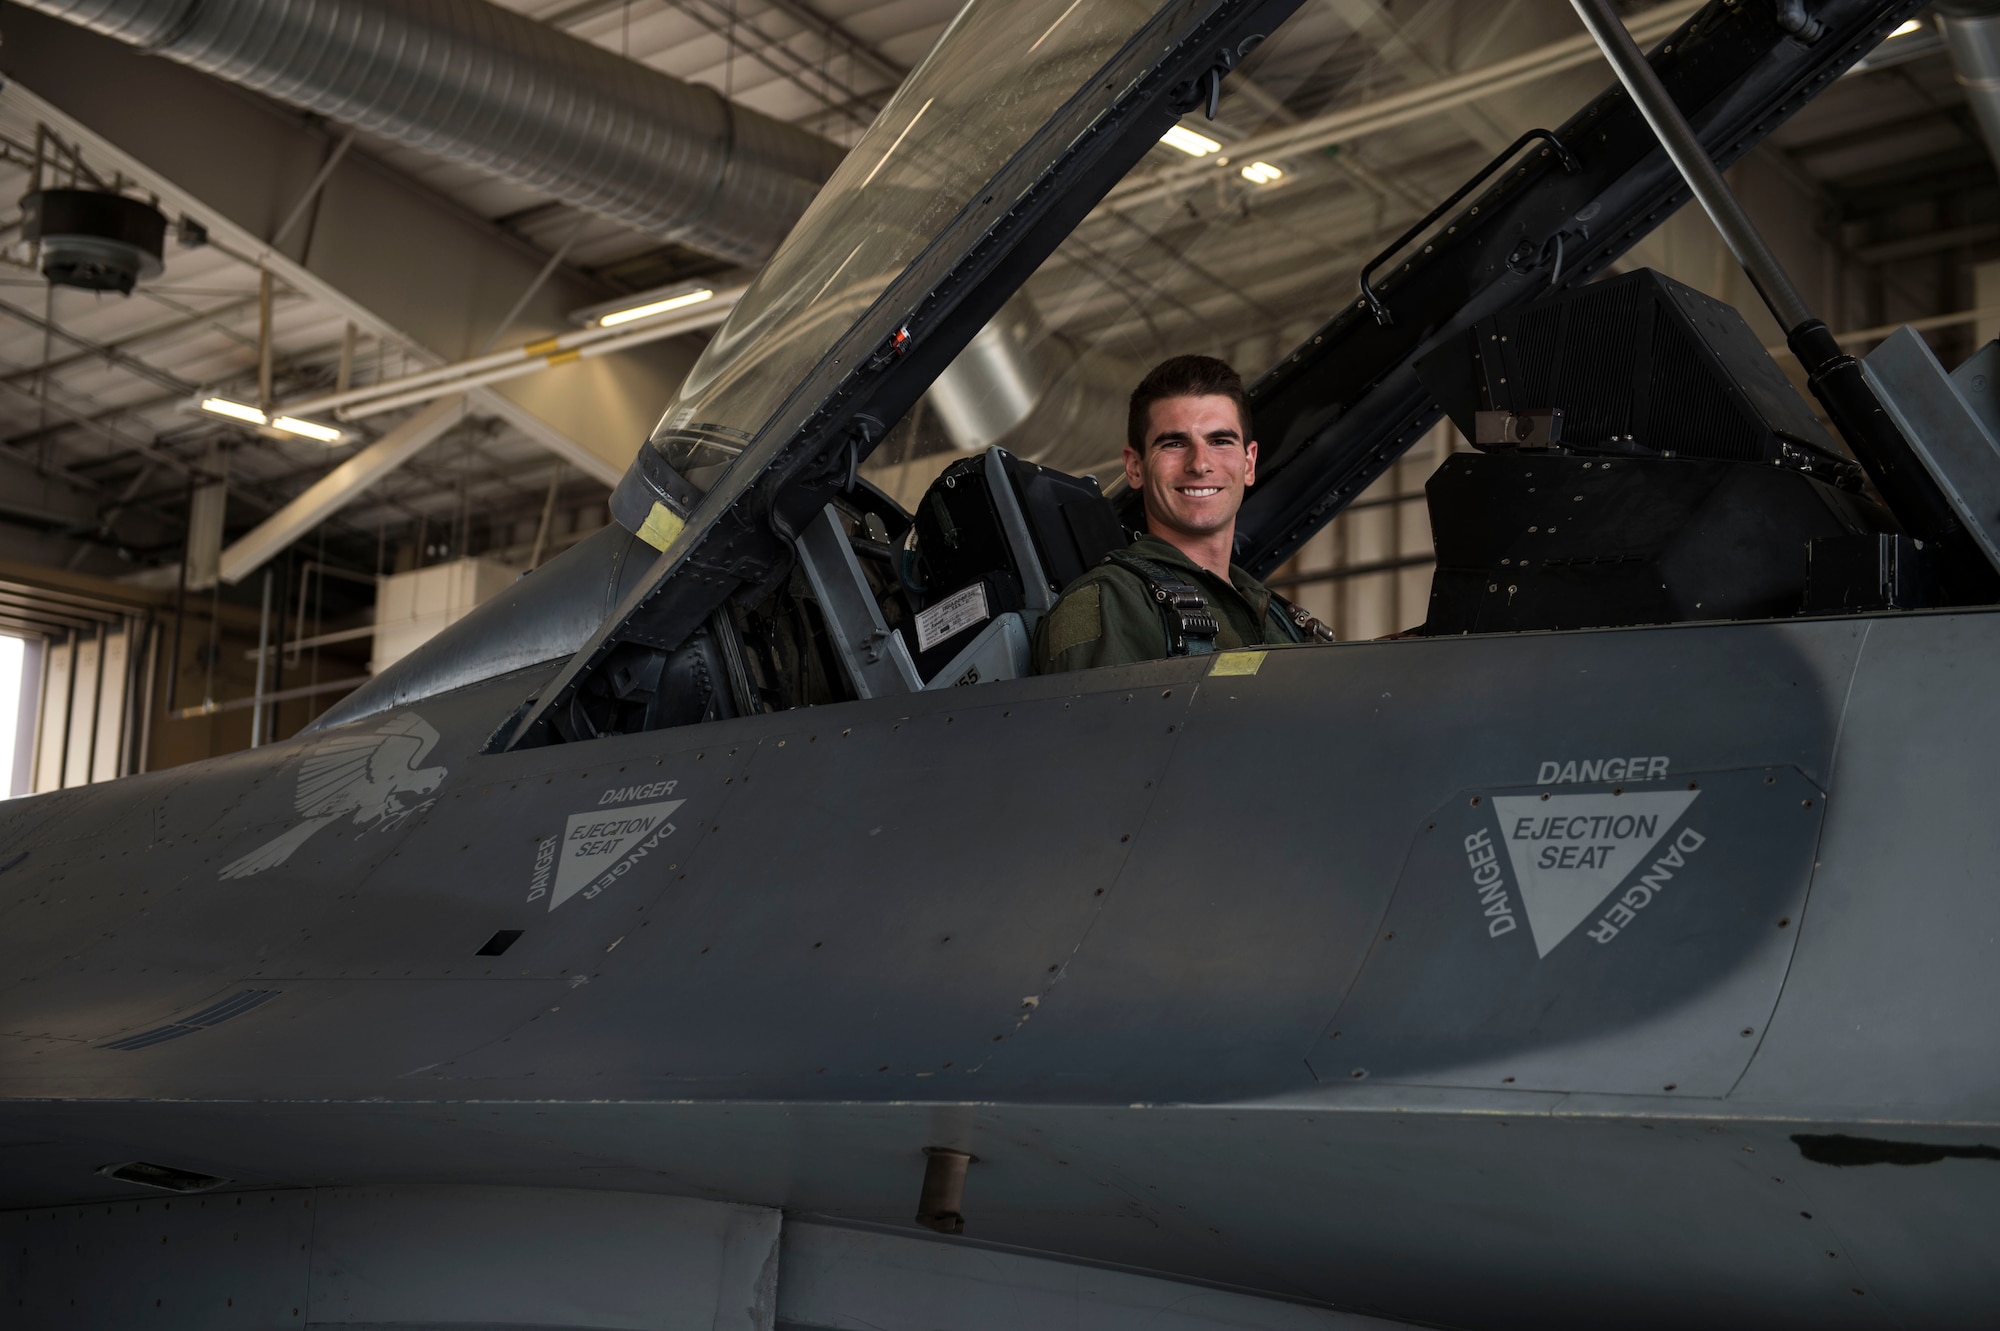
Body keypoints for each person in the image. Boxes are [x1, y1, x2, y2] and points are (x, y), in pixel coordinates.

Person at [1033, 354, 1332, 673]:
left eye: (1220, 441)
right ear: (1135, 467)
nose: (1200, 464)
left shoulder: (1277, 615)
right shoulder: (1109, 604)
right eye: (1174, 443)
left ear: (1248, 463)